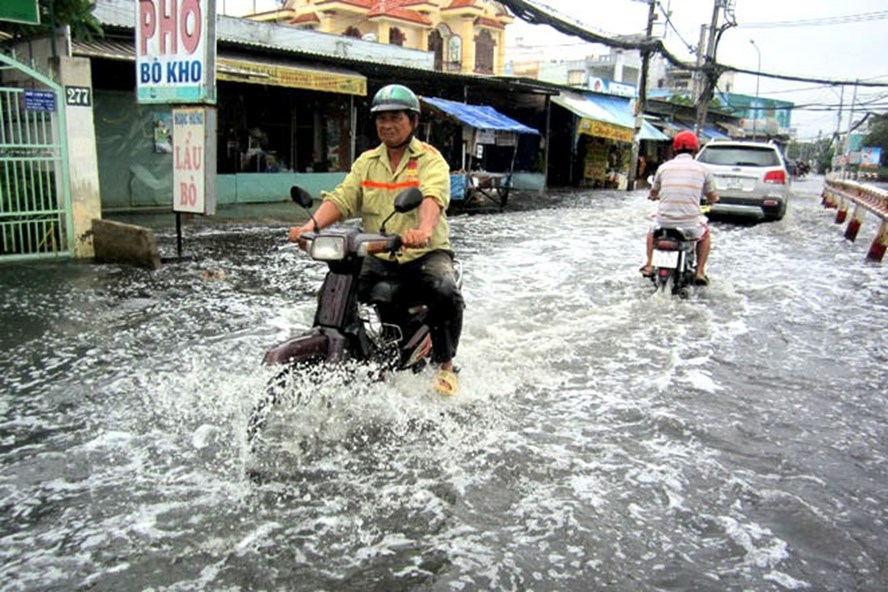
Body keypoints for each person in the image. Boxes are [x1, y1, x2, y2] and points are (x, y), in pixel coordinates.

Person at [288, 84, 464, 395]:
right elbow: (343, 198)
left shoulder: (430, 159)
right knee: (335, 291)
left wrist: (422, 230)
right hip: (379, 253)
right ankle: (355, 349)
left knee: (445, 290)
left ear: (412, 121)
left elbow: (433, 197)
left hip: (423, 253)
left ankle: (446, 365)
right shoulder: (367, 161)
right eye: (381, 119)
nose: (387, 125)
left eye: (395, 117)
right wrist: (309, 226)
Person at [639, 130, 719, 285]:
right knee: (706, 234)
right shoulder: (703, 169)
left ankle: (649, 264)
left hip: (664, 224)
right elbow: (712, 197)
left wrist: (654, 196)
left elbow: (653, 192)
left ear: (674, 149)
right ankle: (700, 271)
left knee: (651, 231)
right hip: (690, 226)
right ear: (695, 149)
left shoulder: (663, 168)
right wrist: (712, 200)